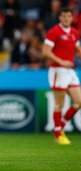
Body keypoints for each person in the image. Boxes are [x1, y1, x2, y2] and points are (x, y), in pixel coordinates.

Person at [42, 8, 81, 145]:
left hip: (70, 71)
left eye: (68, 16)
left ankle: (60, 127)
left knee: (79, 102)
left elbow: (77, 49)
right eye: (64, 16)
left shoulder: (75, 32)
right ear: (59, 18)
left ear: (72, 18)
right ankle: (58, 135)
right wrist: (61, 61)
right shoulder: (54, 32)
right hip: (58, 70)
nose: (66, 19)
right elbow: (45, 52)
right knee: (60, 104)